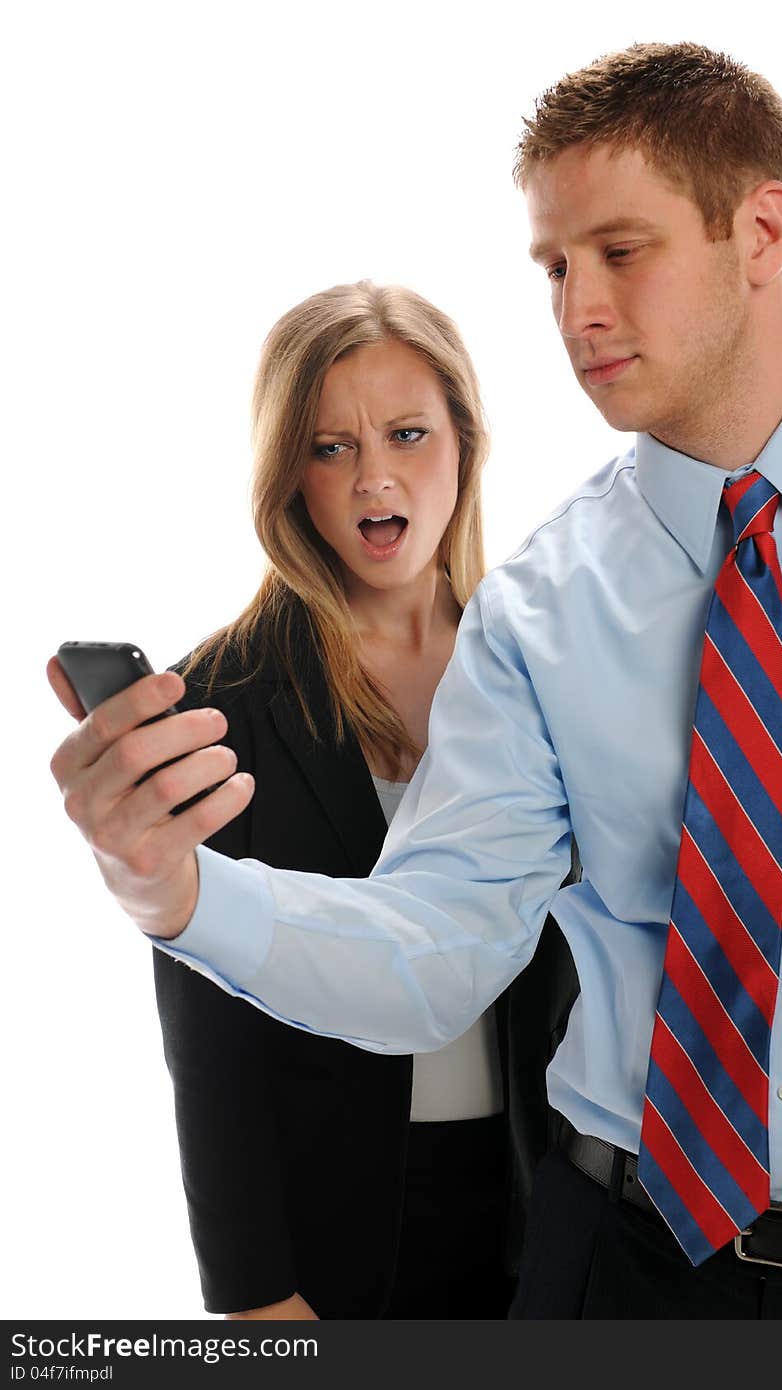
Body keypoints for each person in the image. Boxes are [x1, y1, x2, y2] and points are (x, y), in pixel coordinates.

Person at [49, 41, 782, 1319]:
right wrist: (180, 895)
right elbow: (437, 944)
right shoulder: (538, 612)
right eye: (553, 266)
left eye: (620, 251)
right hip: (620, 1260)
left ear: (761, 231)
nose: (575, 310)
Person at [53, 282, 578, 1320]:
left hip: (540, 1208)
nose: (373, 476)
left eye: (407, 433)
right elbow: (206, 1034)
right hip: (331, 1232)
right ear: (288, 471)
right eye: (330, 446)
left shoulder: (540, 671)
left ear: (464, 447)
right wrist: (253, 1293)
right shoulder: (220, 700)